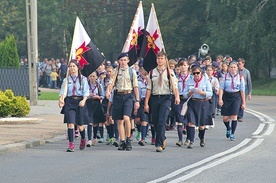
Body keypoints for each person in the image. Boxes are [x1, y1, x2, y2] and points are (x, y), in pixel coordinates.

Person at [144, 51, 180, 152]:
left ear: (165, 60)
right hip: (155, 98)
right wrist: (146, 103)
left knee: (162, 121)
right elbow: (149, 89)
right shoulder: (152, 72)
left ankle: (158, 143)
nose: (159, 60)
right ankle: (162, 138)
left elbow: (174, 86)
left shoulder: (169, 72)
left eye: (161, 59)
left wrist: (177, 97)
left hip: (166, 97)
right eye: (158, 58)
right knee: (155, 122)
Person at [106, 52, 140, 151]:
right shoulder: (116, 71)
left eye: (125, 60)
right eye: (121, 60)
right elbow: (111, 83)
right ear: (118, 61)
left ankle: (128, 138)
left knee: (126, 117)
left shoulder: (131, 71)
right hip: (118, 96)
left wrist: (137, 100)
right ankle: (123, 140)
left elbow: (136, 86)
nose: (123, 62)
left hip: (128, 95)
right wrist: (108, 91)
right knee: (119, 120)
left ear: (128, 61)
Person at [58, 59, 89, 152]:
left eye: (74, 66)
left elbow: (86, 92)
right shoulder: (66, 80)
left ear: (78, 67)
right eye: (70, 66)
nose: (72, 68)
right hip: (70, 102)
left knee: (80, 126)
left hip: (79, 102)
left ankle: (83, 138)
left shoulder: (83, 79)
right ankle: (71, 144)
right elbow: (63, 92)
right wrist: (61, 100)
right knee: (70, 123)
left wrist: (84, 100)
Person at [183, 64, 213, 149]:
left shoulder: (205, 81)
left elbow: (210, 93)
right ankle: (191, 141)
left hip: (203, 103)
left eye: (197, 73)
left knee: (201, 125)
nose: (196, 75)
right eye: (194, 73)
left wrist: (202, 92)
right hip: (193, 102)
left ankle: (202, 138)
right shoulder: (189, 81)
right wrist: (190, 93)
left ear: (201, 73)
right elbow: (184, 94)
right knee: (191, 123)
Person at [218, 60, 246, 141]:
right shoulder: (225, 77)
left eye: (234, 67)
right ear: (229, 68)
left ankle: (233, 133)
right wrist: (220, 99)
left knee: (234, 115)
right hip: (227, 96)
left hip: (236, 97)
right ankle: (228, 128)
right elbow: (221, 88)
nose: (233, 69)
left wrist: (243, 102)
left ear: (237, 68)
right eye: (231, 67)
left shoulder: (240, 78)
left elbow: (242, 91)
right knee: (225, 118)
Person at [172, 59, 191, 147]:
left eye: (184, 65)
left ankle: (188, 138)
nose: (183, 67)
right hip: (178, 98)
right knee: (179, 118)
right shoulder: (176, 77)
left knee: (187, 118)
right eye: (181, 65)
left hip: (188, 99)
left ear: (188, 66)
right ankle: (180, 139)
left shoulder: (191, 77)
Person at [86, 71, 105, 147]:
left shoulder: (99, 85)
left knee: (95, 122)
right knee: (89, 121)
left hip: (96, 104)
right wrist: (89, 95)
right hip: (89, 103)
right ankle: (89, 139)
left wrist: (98, 97)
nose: (92, 78)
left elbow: (102, 95)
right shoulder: (86, 85)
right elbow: (83, 93)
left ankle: (94, 137)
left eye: (94, 76)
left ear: (96, 77)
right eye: (91, 76)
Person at [135, 67, 150, 146]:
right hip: (141, 101)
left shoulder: (150, 80)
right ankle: (139, 131)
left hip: (149, 101)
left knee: (145, 121)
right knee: (138, 120)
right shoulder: (137, 81)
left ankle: (143, 138)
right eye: (142, 71)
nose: (144, 73)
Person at [237, 58, 252, 122]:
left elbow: (249, 82)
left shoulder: (246, 72)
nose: (239, 65)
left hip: (244, 87)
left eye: (240, 64)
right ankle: (235, 114)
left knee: (242, 101)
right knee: (236, 101)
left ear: (243, 64)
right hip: (237, 87)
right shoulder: (236, 70)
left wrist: (249, 93)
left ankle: (240, 116)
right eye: (238, 64)